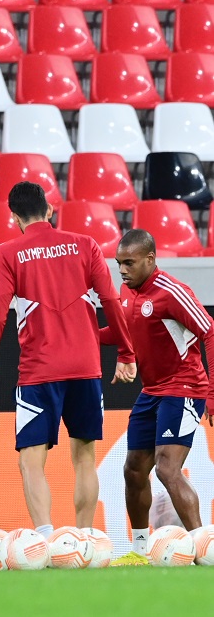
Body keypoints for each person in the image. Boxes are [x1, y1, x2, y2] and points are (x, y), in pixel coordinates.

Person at [0, 182, 137, 541]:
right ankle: (84, 541)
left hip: (39, 372)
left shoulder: (8, 253)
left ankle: (43, 542)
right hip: (86, 368)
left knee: (30, 460)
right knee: (85, 457)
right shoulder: (86, 244)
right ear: (49, 210)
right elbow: (111, 300)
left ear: (14, 218)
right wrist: (126, 352)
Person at [101, 230, 214, 566]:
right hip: (151, 391)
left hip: (184, 388)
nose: (122, 270)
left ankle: (203, 551)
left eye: (129, 263)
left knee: (167, 468)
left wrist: (212, 392)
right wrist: (83, 333)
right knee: (134, 469)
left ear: (150, 259)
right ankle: (139, 551)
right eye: (119, 263)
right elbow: (122, 331)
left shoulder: (172, 292)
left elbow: (210, 331)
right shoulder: (127, 291)